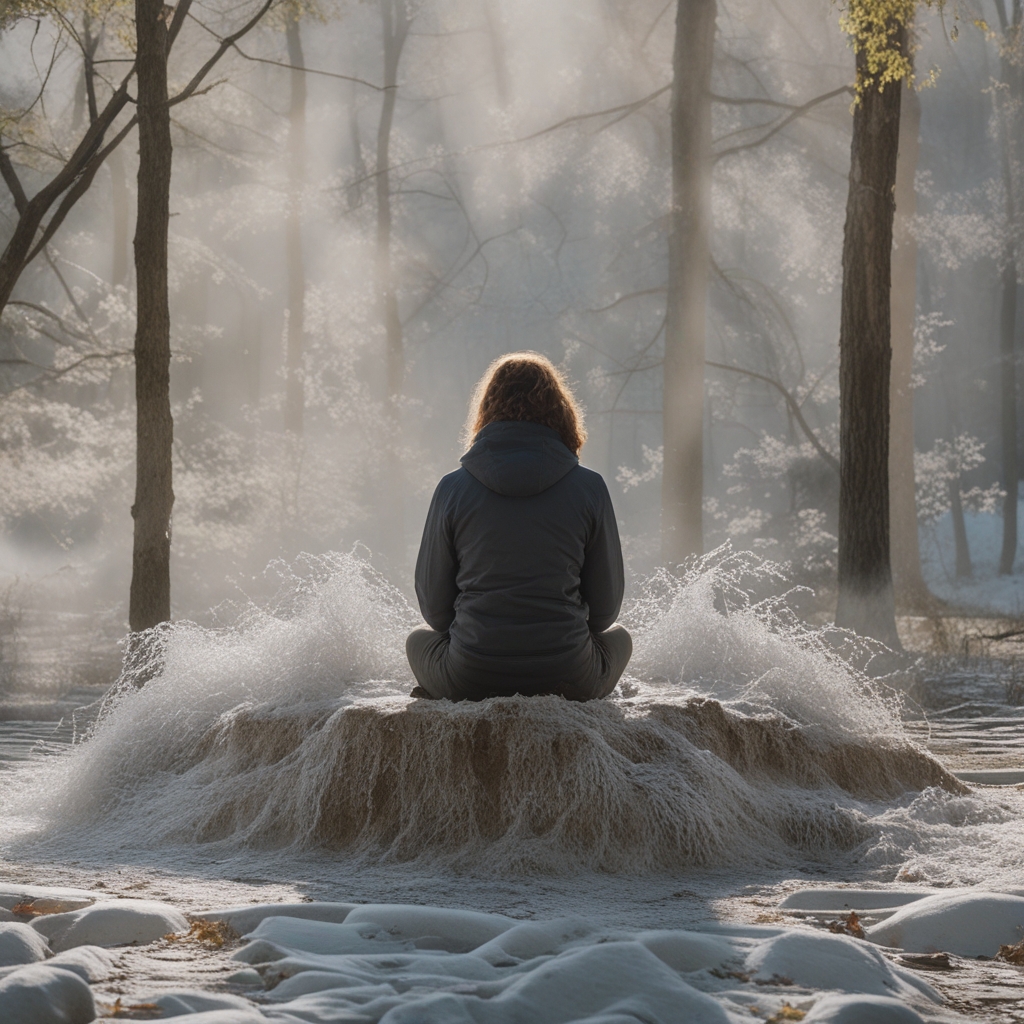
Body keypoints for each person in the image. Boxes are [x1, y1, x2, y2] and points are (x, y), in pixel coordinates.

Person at [407, 352, 632, 701]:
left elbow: (435, 614)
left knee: (417, 639)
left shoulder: (452, 489)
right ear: (561, 413)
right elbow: (604, 614)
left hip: (471, 676)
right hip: (570, 676)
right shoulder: (590, 488)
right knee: (621, 637)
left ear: (486, 412)